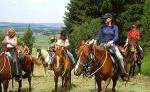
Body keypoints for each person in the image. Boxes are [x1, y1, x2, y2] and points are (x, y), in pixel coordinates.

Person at [94, 13, 128, 80]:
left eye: (106, 18)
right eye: (104, 19)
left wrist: (112, 41)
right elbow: (98, 35)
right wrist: (95, 40)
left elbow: (116, 36)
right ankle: (93, 70)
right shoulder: (102, 27)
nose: (104, 20)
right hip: (103, 44)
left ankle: (123, 72)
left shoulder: (115, 27)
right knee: (94, 54)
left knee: (120, 57)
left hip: (112, 44)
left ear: (110, 19)